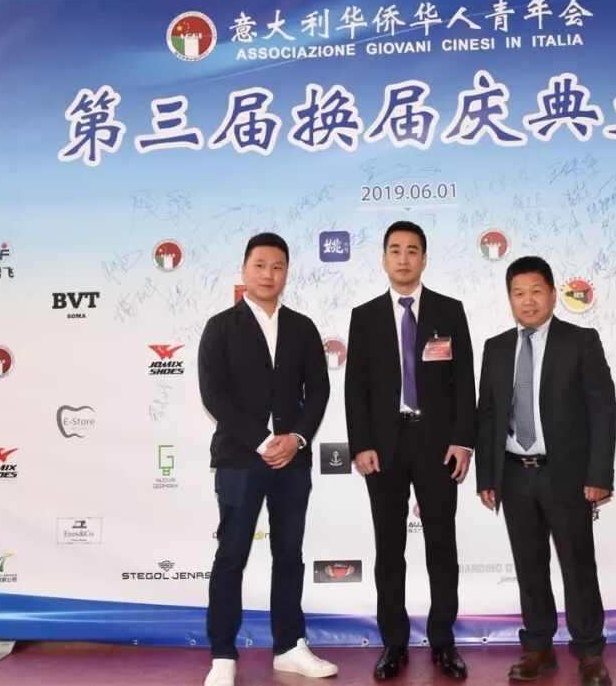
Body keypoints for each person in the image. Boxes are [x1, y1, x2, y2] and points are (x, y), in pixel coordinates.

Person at [198, 233, 337, 686]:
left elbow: (319, 390)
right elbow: (214, 394)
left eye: (277, 266)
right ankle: (223, 654)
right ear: (244, 269)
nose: (268, 274)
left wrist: (295, 438)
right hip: (240, 458)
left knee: (289, 554)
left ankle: (290, 647)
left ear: (286, 273)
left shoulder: (302, 327)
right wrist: (263, 441)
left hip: (292, 461)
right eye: (259, 265)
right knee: (231, 555)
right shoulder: (221, 327)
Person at [474, 256, 616, 686]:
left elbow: (603, 410)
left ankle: (589, 651)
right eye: (518, 293)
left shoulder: (581, 341)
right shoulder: (496, 347)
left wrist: (598, 475)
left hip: (566, 474)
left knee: (577, 564)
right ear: (510, 299)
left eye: (536, 291)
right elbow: (488, 415)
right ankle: (538, 647)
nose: (528, 300)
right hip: (514, 472)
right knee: (529, 565)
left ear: (553, 294)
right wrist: (487, 477)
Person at [344, 221, 476, 680]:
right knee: (389, 548)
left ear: (424, 258)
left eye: (412, 250)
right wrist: (361, 444)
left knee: (441, 544)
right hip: (384, 447)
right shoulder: (364, 316)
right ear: (384, 258)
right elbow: (355, 387)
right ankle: (394, 643)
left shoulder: (449, 311)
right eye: (396, 250)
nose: (404, 259)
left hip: (437, 445)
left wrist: (463, 440)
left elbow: (465, 382)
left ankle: (443, 641)